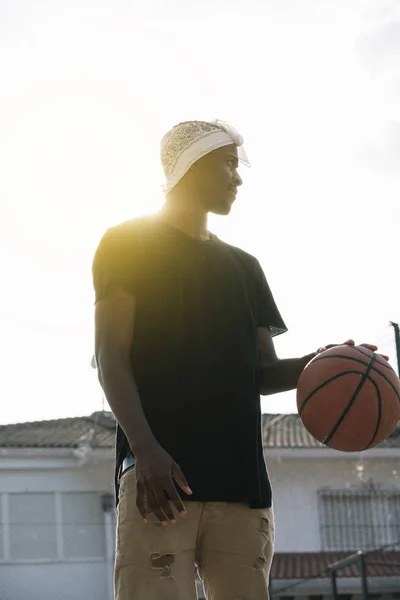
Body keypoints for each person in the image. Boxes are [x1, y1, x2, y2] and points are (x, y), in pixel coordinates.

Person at [92, 120, 382, 600]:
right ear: (191, 167)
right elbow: (110, 354)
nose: (238, 178)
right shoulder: (127, 244)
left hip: (241, 484)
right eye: (228, 164)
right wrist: (144, 450)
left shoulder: (244, 268)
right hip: (161, 483)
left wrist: (335, 362)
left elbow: (263, 374)